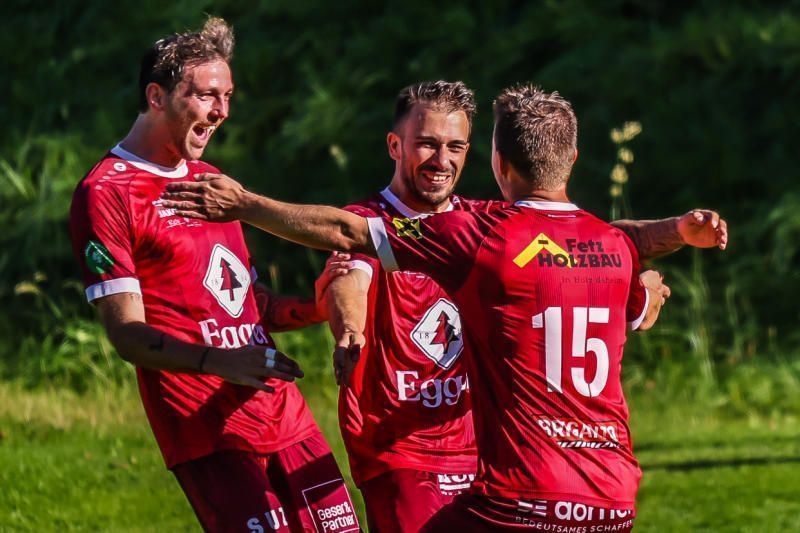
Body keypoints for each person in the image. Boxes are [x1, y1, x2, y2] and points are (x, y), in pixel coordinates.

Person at [159, 85, 726, 531]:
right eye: (428, 143)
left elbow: (346, 234)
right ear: (394, 145)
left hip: (504, 476)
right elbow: (348, 261)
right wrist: (350, 329)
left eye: (456, 147)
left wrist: (246, 203)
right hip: (439, 460)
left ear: (493, 159)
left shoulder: (480, 230)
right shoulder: (587, 244)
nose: (441, 159)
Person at [69, 17, 359, 533]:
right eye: (206, 95)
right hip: (207, 429)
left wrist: (314, 308)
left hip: (283, 413)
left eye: (227, 96)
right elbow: (127, 337)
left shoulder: (211, 182)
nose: (222, 111)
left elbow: (251, 305)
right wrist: (219, 361)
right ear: (156, 96)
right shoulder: (106, 193)